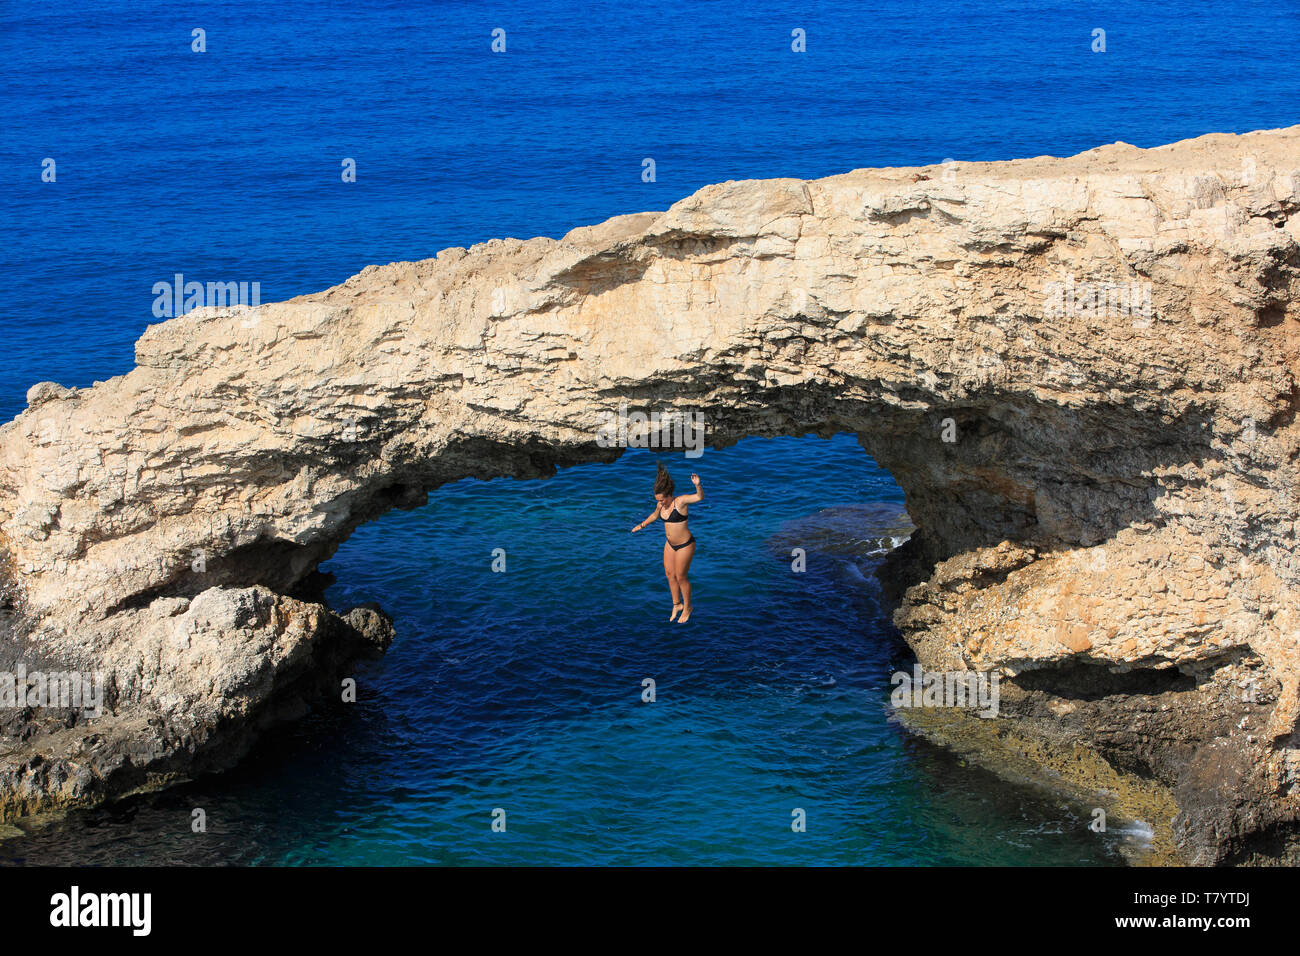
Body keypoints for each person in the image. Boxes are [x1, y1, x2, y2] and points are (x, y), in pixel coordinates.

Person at [632, 463, 702, 622]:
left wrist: (698, 485)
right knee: (670, 575)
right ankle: (677, 604)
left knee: (681, 576)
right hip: (670, 544)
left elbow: (699, 497)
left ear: (669, 495)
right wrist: (641, 525)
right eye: (658, 500)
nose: (661, 503)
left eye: (662, 500)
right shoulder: (660, 504)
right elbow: (655, 516)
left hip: (685, 544)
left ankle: (688, 606)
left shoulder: (681, 501)